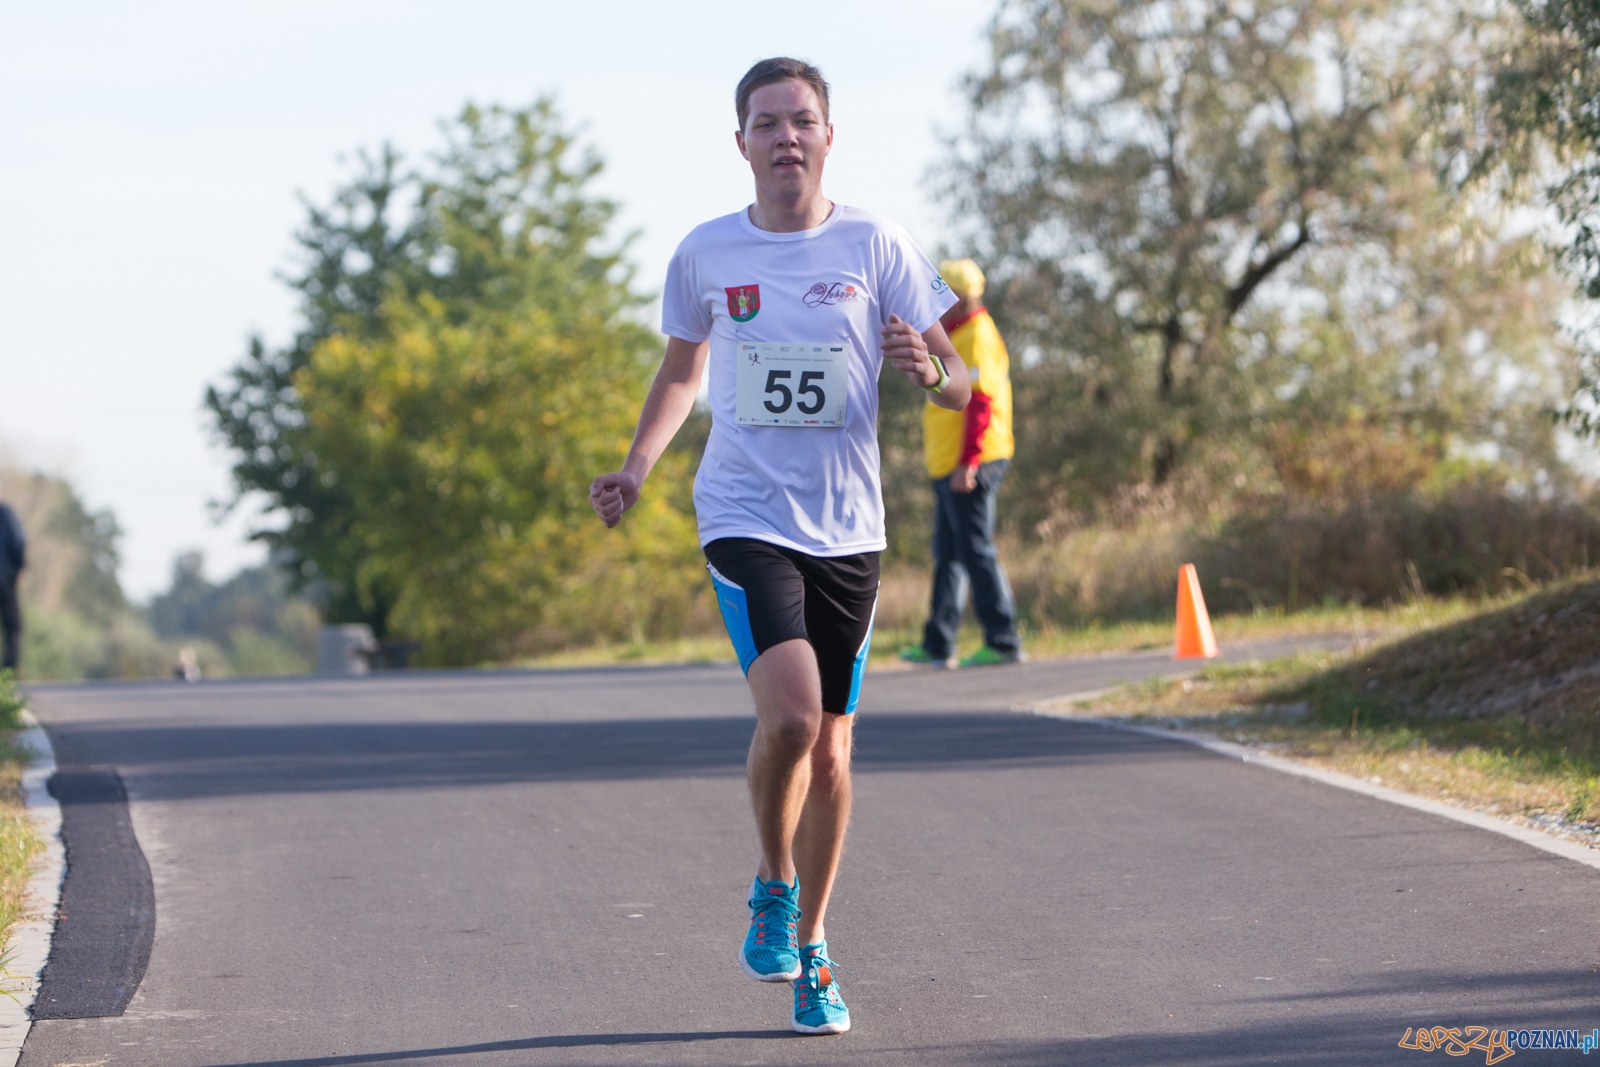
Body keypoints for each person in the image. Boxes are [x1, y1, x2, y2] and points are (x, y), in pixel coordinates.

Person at [589, 57, 970, 1036]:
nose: (786, 137)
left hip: (851, 526)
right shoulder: (705, 253)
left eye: (802, 120)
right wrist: (635, 465)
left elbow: (965, 382)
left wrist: (929, 367)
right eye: (768, 123)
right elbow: (681, 369)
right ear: (742, 141)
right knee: (796, 717)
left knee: (835, 752)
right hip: (743, 511)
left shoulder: (876, 241)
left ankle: (811, 940)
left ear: (829, 135)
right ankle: (774, 877)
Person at [897, 258, 1023, 668]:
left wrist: (968, 464)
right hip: (951, 461)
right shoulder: (958, 334)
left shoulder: (976, 336)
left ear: (959, 299)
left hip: (972, 462)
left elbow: (981, 403)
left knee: (974, 549)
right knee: (949, 552)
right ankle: (939, 642)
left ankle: (1002, 639)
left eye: (944, 298)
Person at [0, 491, 24, 672]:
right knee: (12, 628)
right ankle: (8, 675)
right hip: (5, 579)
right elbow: (19, 542)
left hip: (6, 577)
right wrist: (17, 569)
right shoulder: (7, 515)